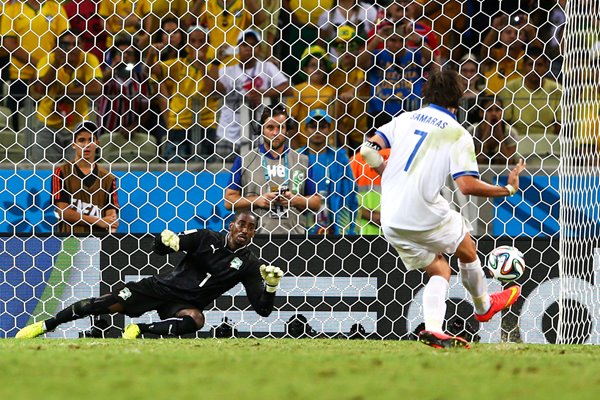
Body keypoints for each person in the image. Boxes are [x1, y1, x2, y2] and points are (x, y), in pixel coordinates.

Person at [359, 70, 526, 348]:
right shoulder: (456, 132)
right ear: (459, 98)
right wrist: (507, 189)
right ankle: (484, 306)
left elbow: (366, 150)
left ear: (427, 94)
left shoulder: (403, 119)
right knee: (467, 248)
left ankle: (434, 329)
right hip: (423, 211)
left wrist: (383, 169)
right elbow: (467, 185)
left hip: (390, 218)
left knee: (439, 270)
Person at [15, 211, 284, 339]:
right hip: (159, 288)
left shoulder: (249, 264)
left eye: (250, 228)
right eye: (241, 224)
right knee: (101, 305)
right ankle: (45, 326)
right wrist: (165, 241)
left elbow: (262, 310)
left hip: (184, 305)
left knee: (196, 320)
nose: (245, 230)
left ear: (253, 233)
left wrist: (270, 287)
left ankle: (140, 330)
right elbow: (159, 250)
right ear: (231, 224)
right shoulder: (205, 237)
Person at [224, 104, 321, 234]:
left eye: (280, 127)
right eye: (270, 127)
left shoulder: (302, 160)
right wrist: (257, 201)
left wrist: (295, 200)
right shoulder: (245, 160)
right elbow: (229, 201)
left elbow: (316, 203)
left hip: (295, 239)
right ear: (261, 129)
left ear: (287, 130)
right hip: (256, 238)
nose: (275, 133)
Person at [214, 29, 291, 158]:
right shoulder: (228, 70)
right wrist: (216, 62)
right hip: (228, 135)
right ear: (238, 48)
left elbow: (287, 88)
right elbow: (213, 89)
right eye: (244, 45)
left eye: (253, 45)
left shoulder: (266, 67)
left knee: (258, 175)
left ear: (259, 49)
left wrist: (263, 93)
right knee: (224, 175)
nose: (249, 48)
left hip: (259, 135)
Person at [30, 30, 102, 163]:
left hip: (78, 126)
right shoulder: (48, 59)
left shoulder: (88, 59)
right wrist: (56, 63)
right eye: (66, 44)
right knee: (43, 171)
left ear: (82, 46)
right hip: (48, 124)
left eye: (76, 44)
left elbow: (96, 88)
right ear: (58, 47)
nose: (71, 48)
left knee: (77, 173)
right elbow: (39, 89)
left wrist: (65, 94)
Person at [0, 0, 69, 131]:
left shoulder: (56, 8)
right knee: (17, 127)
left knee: (49, 126)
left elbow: (65, 41)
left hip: (49, 79)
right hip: (20, 76)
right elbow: (8, 43)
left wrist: (46, 67)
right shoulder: (12, 9)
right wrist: (39, 64)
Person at [52, 121, 119, 235]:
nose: (86, 144)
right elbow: (62, 211)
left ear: (97, 143)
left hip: (97, 240)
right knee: (67, 253)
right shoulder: (61, 172)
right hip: (70, 239)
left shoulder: (108, 178)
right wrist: (98, 221)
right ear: (73, 144)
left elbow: (111, 218)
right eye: (81, 140)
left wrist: (110, 229)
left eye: (91, 140)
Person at [298, 109, 358, 235]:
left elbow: (351, 193)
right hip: (301, 225)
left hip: (335, 227)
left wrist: (350, 229)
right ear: (305, 129)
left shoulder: (340, 157)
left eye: (323, 126)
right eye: (313, 126)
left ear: (330, 129)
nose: (318, 130)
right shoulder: (296, 156)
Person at [468, 96, 520, 165]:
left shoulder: (511, 132)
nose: (494, 114)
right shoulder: (471, 131)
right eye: (489, 110)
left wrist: (500, 134)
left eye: (497, 110)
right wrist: (487, 132)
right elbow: (476, 162)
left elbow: (508, 163)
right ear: (481, 113)